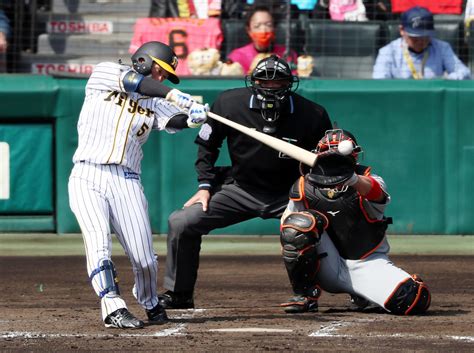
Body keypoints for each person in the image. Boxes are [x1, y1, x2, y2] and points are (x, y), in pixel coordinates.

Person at [159, 54, 333, 309]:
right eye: (264, 81)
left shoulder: (312, 114)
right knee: (182, 221)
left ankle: (311, 293)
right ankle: (179, 294)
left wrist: (317, 195)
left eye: (278, 82)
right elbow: (207, 145)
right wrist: (205, 186)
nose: (271, 87)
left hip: (290, 193)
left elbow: (324, 161)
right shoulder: (229, 104)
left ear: (290, 83)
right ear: (253, 82)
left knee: (326, 224)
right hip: (240, 188)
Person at [68, 41, 209, 329]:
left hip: (127, 180)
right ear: (144, 61)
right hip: (87, 174)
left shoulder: (155, 101)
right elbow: (136, 83)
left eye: (166, 75)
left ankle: (149, 300)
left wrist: (194, 119)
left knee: (144, 258)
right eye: (160, 70)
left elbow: (175, 119)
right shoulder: (104, 73)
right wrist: (174, 94)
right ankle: (112, 307)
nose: (162, 78)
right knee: (99, 244)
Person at [279, 129, 431, 315]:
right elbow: (287, 230)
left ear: (355, 155)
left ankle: (363, 293)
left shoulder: (370, 180)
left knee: (412, 299)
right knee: (297, 226)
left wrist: (351, 178)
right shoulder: (303, 185)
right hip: (327, 264)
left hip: (367, 263)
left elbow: (375, 192)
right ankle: (305, 295)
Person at [373, 6, 471, 80]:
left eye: (424, 37)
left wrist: (444, 81)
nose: (420, 42)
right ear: (402, 30)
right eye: (415, 37)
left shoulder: (442, 48)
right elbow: (379, 82)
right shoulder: (388, 52)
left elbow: (464, 72)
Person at [227, 5, 298, 74]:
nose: (263, 30)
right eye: (257, 26)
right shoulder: (237, 57)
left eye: (268, 25)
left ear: (274, 28)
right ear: (249, 30)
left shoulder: (287, 54)